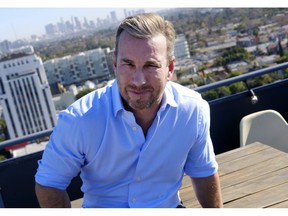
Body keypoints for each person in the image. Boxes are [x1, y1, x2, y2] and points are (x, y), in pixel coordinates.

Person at [35, 12, 223, 208]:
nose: (138, 80)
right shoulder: (80, 120)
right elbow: (49, 183)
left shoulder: (193, 110)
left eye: (151, 65)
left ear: (170, 67)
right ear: (115, 64)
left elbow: (204, 173)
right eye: (128, 64)